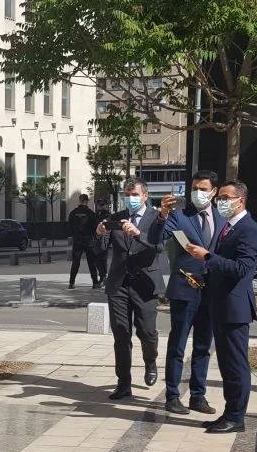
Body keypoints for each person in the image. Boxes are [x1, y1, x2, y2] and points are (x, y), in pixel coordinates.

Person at [185, 180, 257, 434]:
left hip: (234, 307)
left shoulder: (249, 229)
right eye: (220, 198)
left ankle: (236, 417)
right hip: (218, 304)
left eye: (227, 198)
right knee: (227, 365)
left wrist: (207, 256)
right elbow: (222, 266)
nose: (221, 202)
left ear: (241, 201)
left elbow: (242, 269)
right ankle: (229, 413)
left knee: (235, 365)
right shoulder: (227, 227)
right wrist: (203, 278)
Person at [158, 171, 222, 415]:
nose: (198, 192)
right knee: (178, 344)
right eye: (195, 188)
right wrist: (163, 214)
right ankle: (172, 396)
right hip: (184, 289)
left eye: (203, 189)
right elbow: (158, 238)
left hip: (210, 291)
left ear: (214, 192)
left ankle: (198, 396)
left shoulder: (222, 217)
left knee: (203, 346)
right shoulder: (180, 216)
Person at [96, 178, 165, 400]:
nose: (130, 198)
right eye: (127, 194)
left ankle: (150, 361)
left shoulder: (157, 218)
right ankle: (123, 383)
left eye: (134, 194)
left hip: (145, 283)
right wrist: (100, 233)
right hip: (118, 284)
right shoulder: (115, 218)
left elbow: (159, 246)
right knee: (121, 334)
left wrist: (137, 234)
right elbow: (101, 248)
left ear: (145, 196)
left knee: (146, 331)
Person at [68, 193, 100, 290]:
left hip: (77, 240)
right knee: (91, 262)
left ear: (79, 201)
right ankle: (95, 283)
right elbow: (95, 227)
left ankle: (71, 283)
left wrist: (75, 234)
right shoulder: (91, 213)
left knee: (75, 262)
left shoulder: (73, 213)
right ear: (87, 201)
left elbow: (69, 226)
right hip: (88, 240)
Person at [92, 199, 111, 283]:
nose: (100, 206)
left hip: (104, 238)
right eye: (99, 204)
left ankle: (103, 276)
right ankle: (102, 275)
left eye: (102, 204)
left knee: (102, 258)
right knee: (96, 258)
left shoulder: (107, 215)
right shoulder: (95, 215)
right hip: (96, 238)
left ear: (106, 205)